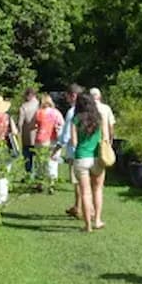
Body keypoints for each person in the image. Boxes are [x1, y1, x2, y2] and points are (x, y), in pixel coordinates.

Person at [71, 92, 107, 232]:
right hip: (97, 157)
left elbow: (74, 141)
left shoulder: (76, 119)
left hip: (81, 157)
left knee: (85, 193)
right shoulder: (99, 118)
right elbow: (105, 137)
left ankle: (88, 226)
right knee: (97, 190)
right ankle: (97, 220)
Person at [58, 84, 84, 218]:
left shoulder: (72, 111)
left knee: (77, 182)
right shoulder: (89, 110)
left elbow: (66, 134)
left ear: (73, 95)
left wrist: (57, 148)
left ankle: (79, 207)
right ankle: (80, 206)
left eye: (67, 96)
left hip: (74, 151)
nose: (66, 99)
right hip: (88, 151)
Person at [33, 94, 64, 193]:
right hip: (52, 140)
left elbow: (34, 125)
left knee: (40, 162)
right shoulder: (56, 113)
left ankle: (40, 183)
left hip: (40, 140)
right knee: (52, 162)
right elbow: (62, 124)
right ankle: (51, 184)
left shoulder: (38, 113)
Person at [18, 88, 41, 179]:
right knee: (39, 157)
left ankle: (28, 175)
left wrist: (19, 132)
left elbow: (20, 123)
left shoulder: (23, 107)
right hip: (39, 135)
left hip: (27, 135)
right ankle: (39, 175)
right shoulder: (40, 105)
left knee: (27, 157)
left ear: (28, 95)